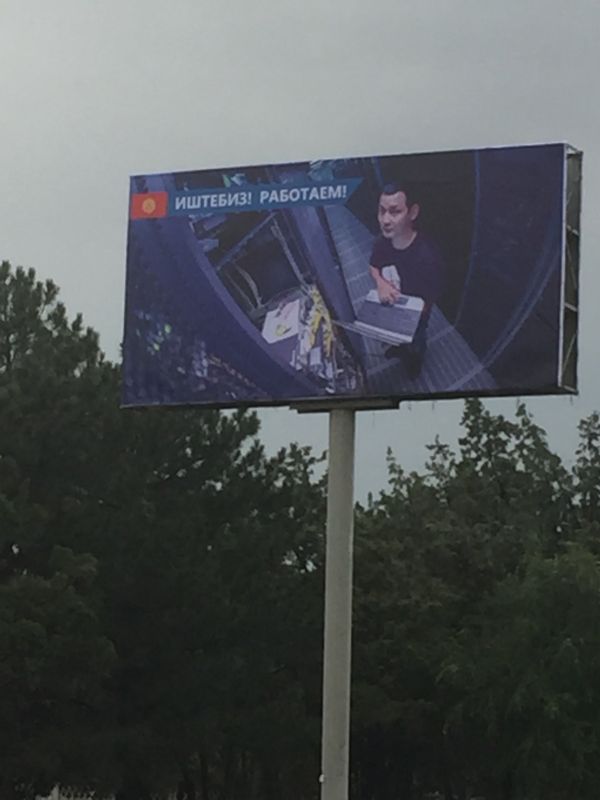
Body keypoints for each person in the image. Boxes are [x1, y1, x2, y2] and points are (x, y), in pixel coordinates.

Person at [369, 182, 444, 377]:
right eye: (382, 211)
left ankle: (414, 363)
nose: (385, 220)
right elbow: (373, 266)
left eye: (395, 212)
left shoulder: (427, 256)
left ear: (413, 212)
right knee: (397, 341)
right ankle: (399, 348)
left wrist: (402, 316)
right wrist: (381, 284)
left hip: (415, 318)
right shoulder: (381, 242)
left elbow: (428, 302)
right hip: (392, 311)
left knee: (415, 344)